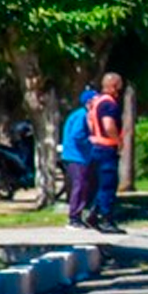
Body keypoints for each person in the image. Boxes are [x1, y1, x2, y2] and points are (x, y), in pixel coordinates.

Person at [87, 72, 126, 234]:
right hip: (107, 149)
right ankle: (106, 220)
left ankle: (94, 214)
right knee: (108, 185)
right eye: (119, 86)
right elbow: (109, 125)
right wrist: (118, 140)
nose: (120, 89)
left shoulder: (95, 102)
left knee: (100, 185)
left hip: (95, 146)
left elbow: (90, 122)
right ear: (114, 86)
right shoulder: (110, 104)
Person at [61, 89, 97, 230]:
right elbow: (77, 136)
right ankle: (74, 217)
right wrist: (92, 141)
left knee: (83, 186)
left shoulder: (82, 114)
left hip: (80, 156)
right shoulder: (82, 115)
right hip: (76, 156)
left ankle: (79, 215)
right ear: (89, 102)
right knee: (79, 186)